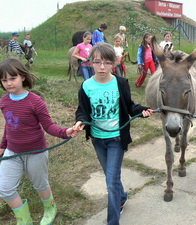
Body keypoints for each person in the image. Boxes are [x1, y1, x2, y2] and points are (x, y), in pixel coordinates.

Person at [73, 43, 153, 225]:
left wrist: (142, 110)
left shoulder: (120, 83)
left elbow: (130, 105)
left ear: (114, 64)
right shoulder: (86, 86)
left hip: (116, 139)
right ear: (90, 63)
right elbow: (82, 111)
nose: (102, 67)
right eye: (97, 62)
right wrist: (80, 121)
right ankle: (122, 196)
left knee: (110, 182)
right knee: (112, 176)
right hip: (97, 139)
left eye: (107, 63)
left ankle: (113, 221)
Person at [0, 58, 78, 224]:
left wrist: (66, 132)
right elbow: (9, 125)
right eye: (4, 80)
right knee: (4, 188)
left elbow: (48, 126)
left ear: (22, 77)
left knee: (40, 185)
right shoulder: (4, 102)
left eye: (12, 78)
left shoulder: (35, 101)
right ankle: (24, 220)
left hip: (35, 152)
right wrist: (3, 146)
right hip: (13, 151)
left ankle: (50, 208)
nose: (8, 83)